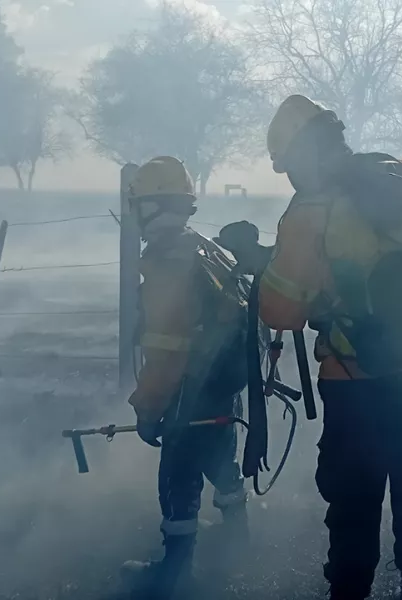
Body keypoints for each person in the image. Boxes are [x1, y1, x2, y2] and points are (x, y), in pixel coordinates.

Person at [217, 95, 402, 600]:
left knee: (355, 504)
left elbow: (281, 313)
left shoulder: (311, 211)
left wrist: (262, 262)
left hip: (358, 382)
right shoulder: (400, 176)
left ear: (297, 156)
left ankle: (350, 591)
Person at [122, 156, 251, 599]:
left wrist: (148, 408)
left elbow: (166, 351)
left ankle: (173, 576)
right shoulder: (205, 247)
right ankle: (238, 538)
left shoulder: (166, 262)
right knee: (220, 462)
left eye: (138, 205)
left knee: (178, 482)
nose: (135, 215)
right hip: (223, 389)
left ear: (152, 207)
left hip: (186, 395)